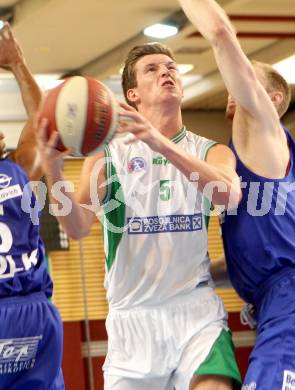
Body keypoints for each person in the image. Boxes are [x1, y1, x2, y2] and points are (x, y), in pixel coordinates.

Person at [35, 42, 243, 389]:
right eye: (152, 69)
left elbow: (230, 193)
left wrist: (159, 143)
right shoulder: (107, 156)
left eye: (171, 67)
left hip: (196, 313)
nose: (166, 72)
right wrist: (53, 169)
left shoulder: (210, 151)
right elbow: (77, 227)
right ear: (132, 94)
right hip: (133, 321)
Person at [178, 0, 295, 389]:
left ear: (270, 100)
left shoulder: (260, 125)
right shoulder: (263, 160)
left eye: (247, 80)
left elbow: (221, 34)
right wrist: (193, 272)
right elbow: (262, 252)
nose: (233, 85)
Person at [0, 22, 64, 389]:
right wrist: (16, 63)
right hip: (33, 312)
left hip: (33, 308)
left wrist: (18, 62)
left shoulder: (17, 167)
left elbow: (44, 125)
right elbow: (42, 124)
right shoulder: (19, 168)